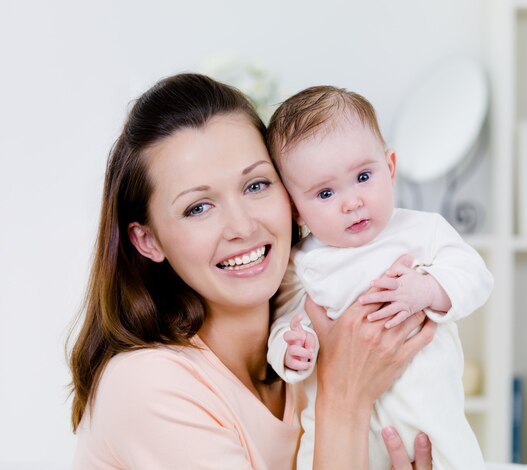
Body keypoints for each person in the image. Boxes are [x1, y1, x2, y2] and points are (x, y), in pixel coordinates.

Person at [67, 73, 438, 470]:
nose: (242, 227)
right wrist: (344, 402)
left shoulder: (309, 349)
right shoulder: (147, 386)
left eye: (256, 185)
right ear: (148, 240)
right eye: (198, 208)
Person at [266, 86, 494, 470]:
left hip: (430, 415)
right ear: (297, 211)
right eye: (324, 193)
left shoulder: (423, 230)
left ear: (389, 168)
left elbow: (475, 277)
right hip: (343, 429)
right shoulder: (303, 262)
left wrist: (427, 289)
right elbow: (284, 320)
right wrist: (290, 349)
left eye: (363, 176)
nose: (351, 201)